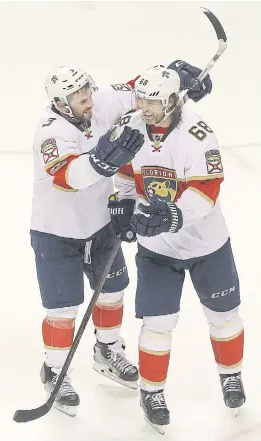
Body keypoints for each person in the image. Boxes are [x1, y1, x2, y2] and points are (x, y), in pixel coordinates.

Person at [30, 61, 212, 417]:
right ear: (62, 103)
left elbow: (140, 87)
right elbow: (67, 177)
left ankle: (107, 350)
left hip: (99, 227)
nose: (88, 99)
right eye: (78, 96)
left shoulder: (100, 102)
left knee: (112, 293)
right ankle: (54, 370)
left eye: (87, 90)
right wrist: (99, 161)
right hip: (56, 233)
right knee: (63, 310)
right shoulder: (50, 132)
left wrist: (178, 71)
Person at [109, 65, 245, 432]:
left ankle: (230, 374)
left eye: (152, 101)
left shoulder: (197, 134)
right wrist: (121, 205)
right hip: (157, 248)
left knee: (224, 316)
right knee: (158, 323)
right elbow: (124, 173)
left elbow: (207, 189)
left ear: (171, 100)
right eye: (142, 98)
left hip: (207, 245)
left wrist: (173, 216)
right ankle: (151, 391)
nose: (144, 106)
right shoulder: (133, 126)